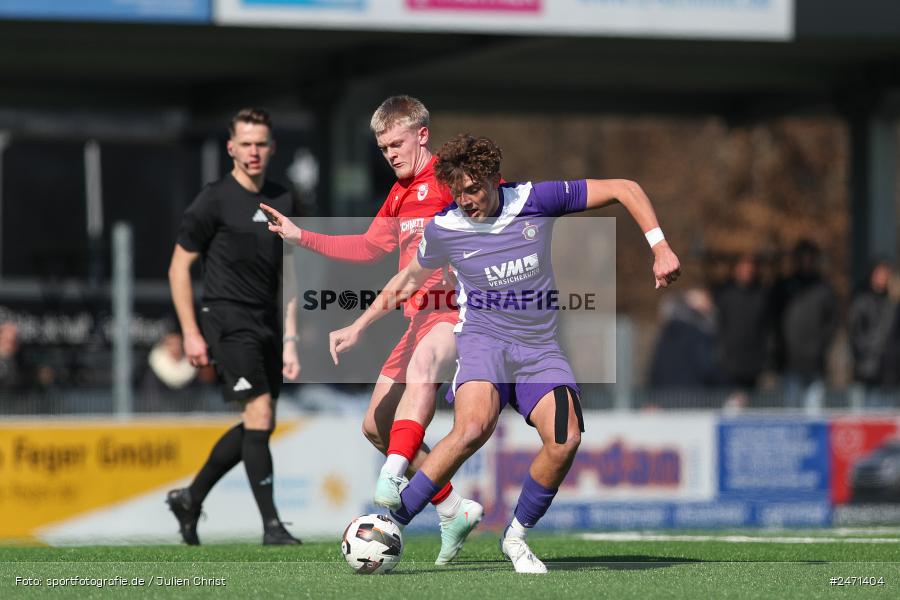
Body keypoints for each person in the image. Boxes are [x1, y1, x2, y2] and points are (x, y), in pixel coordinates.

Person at [328, 134, 681, 573]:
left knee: (565, 439)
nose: (467, 201)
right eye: (458, 192)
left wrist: (659, 245)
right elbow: (405, 281)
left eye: (474, 189)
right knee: (473, 426)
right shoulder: (445, 227)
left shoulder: (534, 200)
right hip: (483, 339)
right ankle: (391, 523)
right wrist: (359, 325)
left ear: (496, 179)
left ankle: (515, 537)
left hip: (539, 348)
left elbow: (625, 187)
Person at [262, 95, 478, 565]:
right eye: (382, 148)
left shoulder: (451, 179)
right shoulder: (400, 194)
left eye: (396, 144)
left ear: (422, 134)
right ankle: (453, 509)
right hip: (415, 318)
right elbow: (367, 247)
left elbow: (498, 209)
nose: (390, 155)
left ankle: (395, 474)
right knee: (374, 424)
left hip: (453, 312)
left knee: (421, 382)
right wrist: (302, 236)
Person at [166, 108, 301, 545]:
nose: (254, 151)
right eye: (246, 143)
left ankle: (191, 497)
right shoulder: (213, 199)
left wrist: (292, 339)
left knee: (260, 422)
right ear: (231, 148)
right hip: (226, 319)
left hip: (267, 323)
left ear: (272, 147)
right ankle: (272, 527)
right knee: (258, 413)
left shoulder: (285, 198)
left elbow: (293, 273)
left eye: (261, 143)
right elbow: (178, 268)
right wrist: (190, 332)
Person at [772, 239, 838, 412]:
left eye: (810, 257)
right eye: (803, 257)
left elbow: (832, 322)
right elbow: (774, 322)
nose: (806, 261)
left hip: (815, 363)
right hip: (790, 363)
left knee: (814, 415)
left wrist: (820, 346)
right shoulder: (784, 287)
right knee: (791, 416)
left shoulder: (823, 288)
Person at [713, 253, 771, 391]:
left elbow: (766, 330)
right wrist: (720, 355)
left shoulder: (761, 296)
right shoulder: (725, 295)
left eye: (750, 268)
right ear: (736, 270)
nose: (746, 272)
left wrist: (765, 360)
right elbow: (718, 326)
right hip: (728, 366)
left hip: (754, 366)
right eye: (743, 268)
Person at [649, 288, 721, 389]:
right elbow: (707, 369)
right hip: (694, 396)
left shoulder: (667, 331)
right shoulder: (700, 333)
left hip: (665, 395)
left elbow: (656, 367)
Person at [848, 259, 896, 408]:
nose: (882, 278)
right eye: (879, 273)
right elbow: (855, 333)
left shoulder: (893, 303)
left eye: (885, 274)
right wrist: (867, 353)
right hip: (867, 370)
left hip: (891, 371)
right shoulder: (861, 300)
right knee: (865, 416)